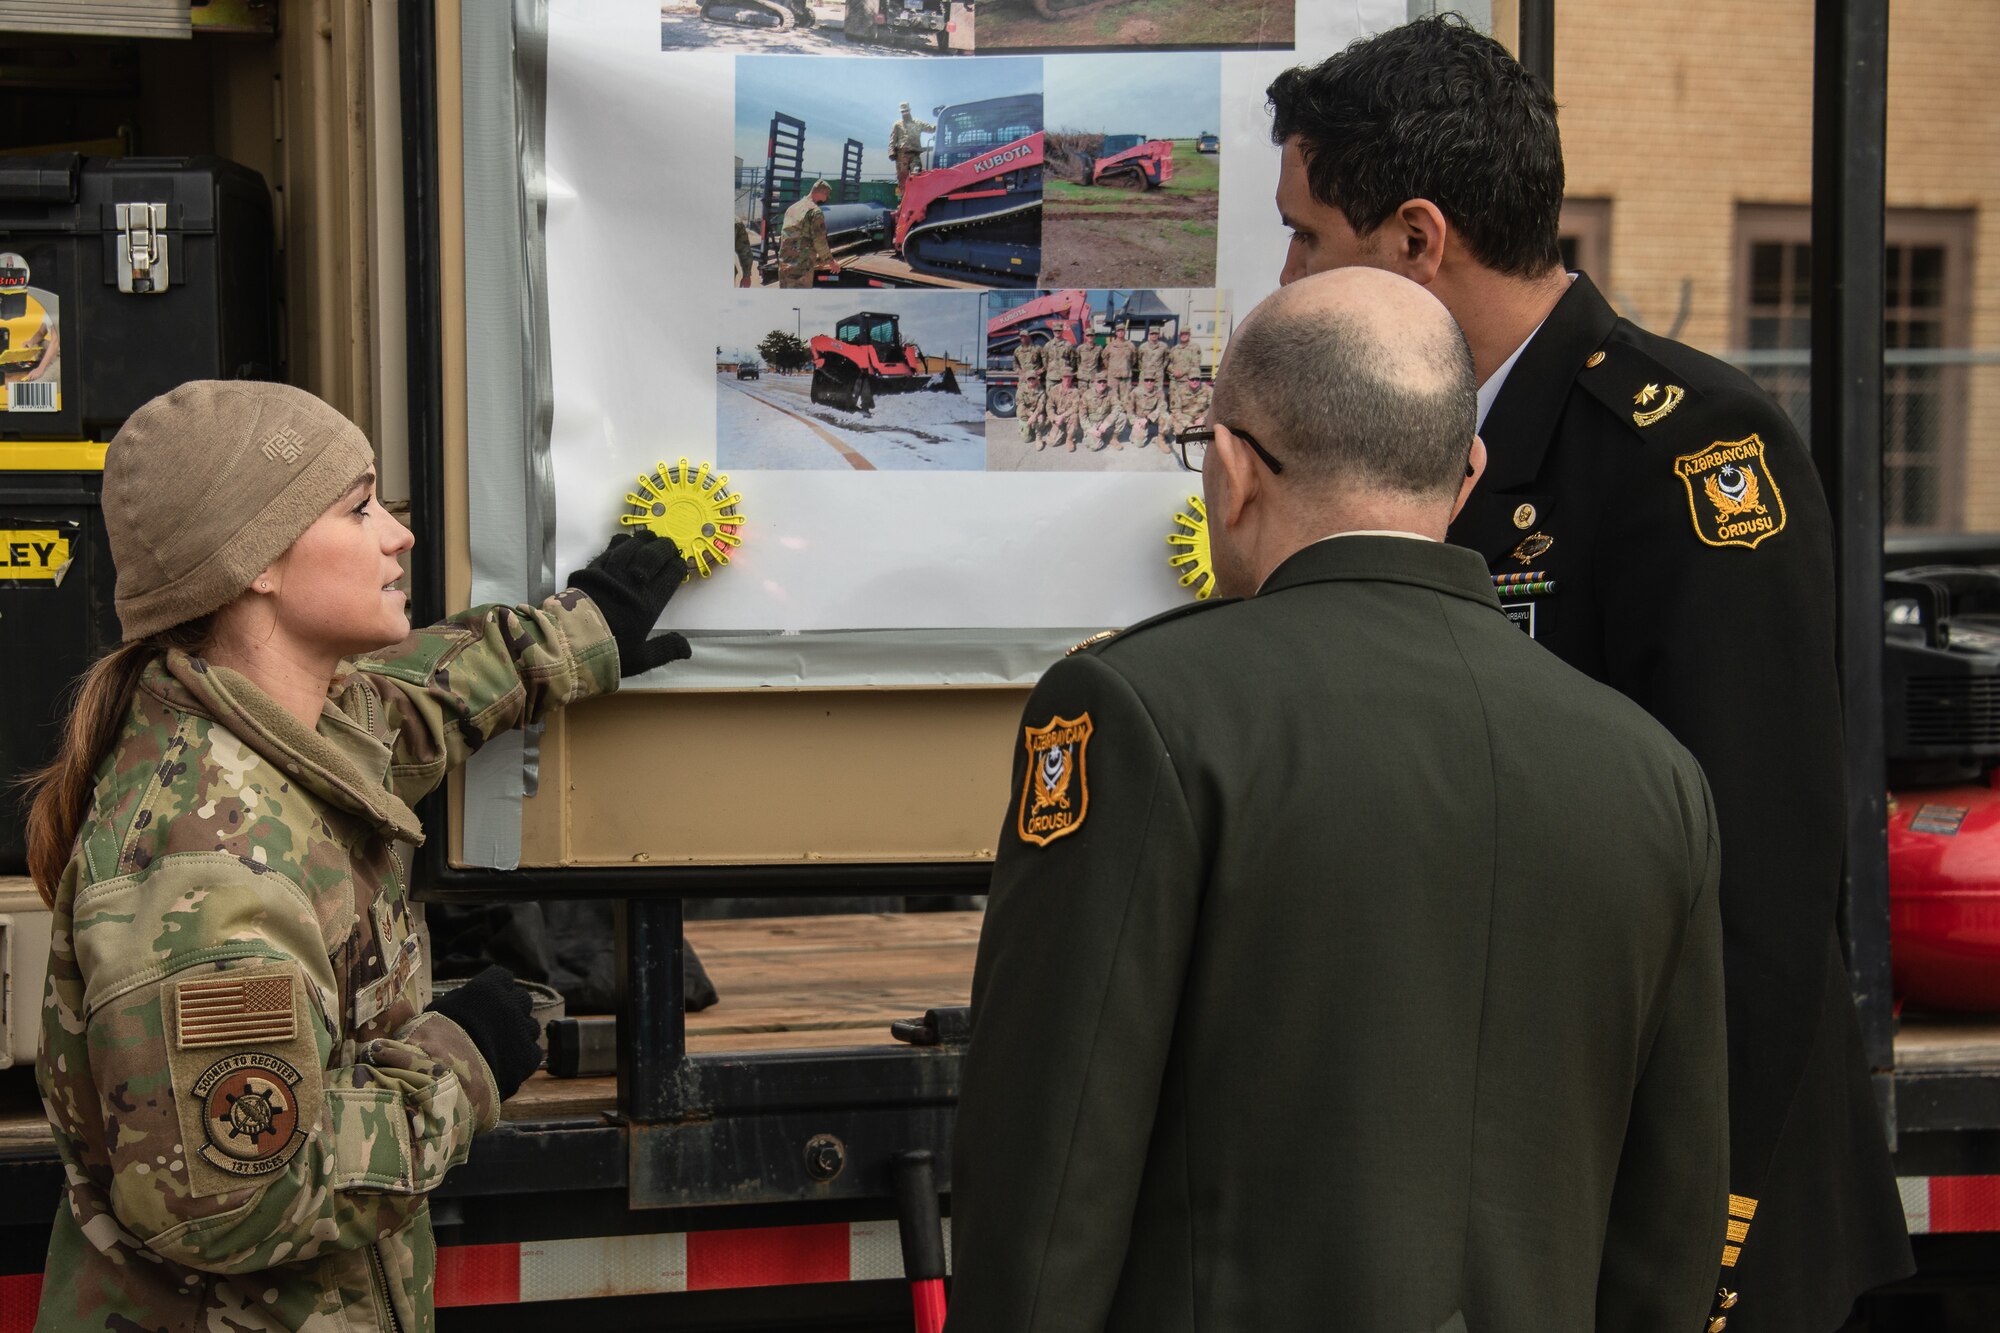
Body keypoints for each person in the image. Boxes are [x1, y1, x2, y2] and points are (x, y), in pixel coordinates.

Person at [1265, 18, 1911, 1332]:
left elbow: (1764, 882)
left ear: (1415, 241)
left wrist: (1697, 1225)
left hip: (1684, 1213)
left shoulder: (1688, 458)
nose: (1285, 280)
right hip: (1530, 1176)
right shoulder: (1424, 447)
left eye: (1306, 237)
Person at [950, 268, 1728, 1332]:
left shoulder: (1138, 712)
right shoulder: (1651, 773)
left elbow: (1048, 1178)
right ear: (1465, 478)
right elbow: (1667, 1238)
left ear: (1228, 473)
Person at [22, 381, 691, 1332]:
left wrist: (585, 627)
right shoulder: (208, 866)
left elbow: (412, 704)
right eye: (359, 507)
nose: (399, 535)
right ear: (253, 563)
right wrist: (463, 1062)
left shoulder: (281, 728)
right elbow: (238, 1200)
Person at [776, 179, 839, 289]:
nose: (826, 198)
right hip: (801, 268)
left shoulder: (792, 208)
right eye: (827, 195)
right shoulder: (815, 212)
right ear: (821, 192)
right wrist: (831, 261)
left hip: (784, 264)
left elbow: (784, 236)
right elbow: (819, 241)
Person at [889, 101, 934, 196]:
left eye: (906, 111)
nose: (904, 113)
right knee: (902, 179)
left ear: (909, 110)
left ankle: (917, 198)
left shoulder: (918, 123)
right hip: (902, 155)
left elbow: (931, 129)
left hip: (915, 155)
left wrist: (942, 119)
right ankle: (903, 202)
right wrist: (891, 151)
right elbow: (892, 139)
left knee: (917, 176)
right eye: (903, 112)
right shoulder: (897, 125)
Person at [1076, 376, 1125, 451]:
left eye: (1104, 382)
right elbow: (1082, 415)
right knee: (1094, 447)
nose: (1102, 384)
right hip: (1092, 423)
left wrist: (1106, 423)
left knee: (1122, 416)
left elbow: (1117, 407)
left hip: (1105, 420)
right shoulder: (1087, 394)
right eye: (1099, 382)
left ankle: (1114, 439)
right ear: (1095, 383)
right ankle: (1093, 436)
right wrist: (1091, 429)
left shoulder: (1111, 392)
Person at [1012, 337, 1046, 445]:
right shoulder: (1017, 350)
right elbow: (1021, 405)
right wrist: (1020, 371)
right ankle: (1023, 426)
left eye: (1025, 336)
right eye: (1021, 337)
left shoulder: (1037, 348)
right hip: (1023, 381)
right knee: (1026, 439)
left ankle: (1038, 435)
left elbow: (1045, 361)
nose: (1023, 338)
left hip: (1036, 377)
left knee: (1040, 416)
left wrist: (1041, 370)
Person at [1125, 375, 1168, 451]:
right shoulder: (1136, 392)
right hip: (1139, 419)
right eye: (1147, 380)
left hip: (1151, 417)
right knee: (1139, 443)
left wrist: (1148, 418)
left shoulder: (1159, 392)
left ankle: (1160, 439)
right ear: (1143, 381)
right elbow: (1129, 409)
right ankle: (1136, 433)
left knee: (1166, 416)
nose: (1149, 382)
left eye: (1152, 380)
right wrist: (1135, 422)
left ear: (1155, 382)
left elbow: (1162, 406)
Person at [1042, 370, 1081, 452]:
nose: (1067, 379)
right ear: (1061, 377)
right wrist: (1054, 417)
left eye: (1069, 377)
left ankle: (1069, 439)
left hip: (1067, 417)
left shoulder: (1075, 391)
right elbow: (1049, 405)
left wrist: (1062, 416)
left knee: (1075, 416)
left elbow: (1075, 407)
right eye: (1065, 377)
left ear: (1072, 378)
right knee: (1051, 442)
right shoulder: (1054, 389)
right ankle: (1060, 431)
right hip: (1057, 419)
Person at [1166, 369, 1210, 444]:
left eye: (1197, 379)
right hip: (1185, 418)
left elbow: (1212, 407)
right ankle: (1190, 434)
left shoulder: (1208, 390)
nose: (1195, 381)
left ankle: (1198, 435)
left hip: (1200, 418)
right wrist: (1187, 424)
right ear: (1187, 380)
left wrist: (1203, 417)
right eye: (1192, 379)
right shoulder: (1179, 391)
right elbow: (1175, 410)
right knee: (1179, 431)